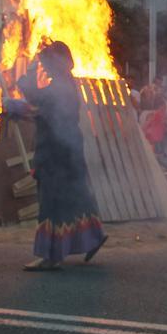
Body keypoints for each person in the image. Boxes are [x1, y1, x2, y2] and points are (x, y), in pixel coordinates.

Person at [16, 41, 107, 271]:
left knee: (52, 204)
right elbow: (42, 109)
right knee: (76, 197)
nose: (44, 68)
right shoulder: (67, 85)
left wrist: (27, 73)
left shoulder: (59, 88)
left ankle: (50, 255)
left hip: (55, 154)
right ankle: (94, 237)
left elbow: (34, 99)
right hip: (70, 150)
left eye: (46, 63)